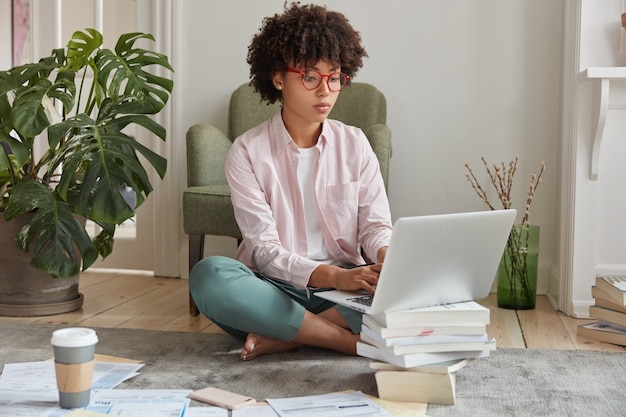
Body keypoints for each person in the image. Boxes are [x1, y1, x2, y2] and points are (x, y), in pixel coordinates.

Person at [189, 2, 393, 361]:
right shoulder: (247, 151)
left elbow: (375, 228)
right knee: (210, 276)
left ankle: (288, 337)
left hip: (346, 291)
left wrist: (390, 260)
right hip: (272, 288)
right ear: (279, 77)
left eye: (335, 77)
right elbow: (264, 251)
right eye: (311, 77)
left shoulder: (355, 144)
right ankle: (345, 340)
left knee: (415, 289)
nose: (325, 91)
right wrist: (332, 276)